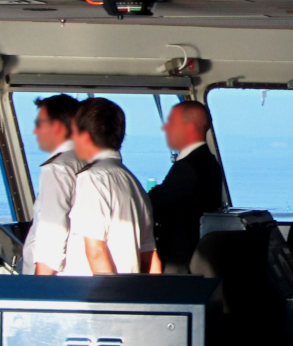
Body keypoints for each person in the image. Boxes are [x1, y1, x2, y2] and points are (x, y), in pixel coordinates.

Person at [62, 97, 156, 275]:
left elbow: (95, 250)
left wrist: (109, 299)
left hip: (96, 295)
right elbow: (149, 256)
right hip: (129, 291)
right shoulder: (133, 182)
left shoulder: (93, 179)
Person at [148, 100, 226, 274]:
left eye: (172, 123)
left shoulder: (188, 167)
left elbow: (156, 203)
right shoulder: (209, 162)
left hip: (180, 260)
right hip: (195, 255)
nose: (165, 128)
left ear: (189, 128)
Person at [21, 94, 84, 276]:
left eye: (40, 124)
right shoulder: (87, 160)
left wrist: (41, 286)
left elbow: (53, 230)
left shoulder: (58, 168)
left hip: (54, 280)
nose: (36, 131)